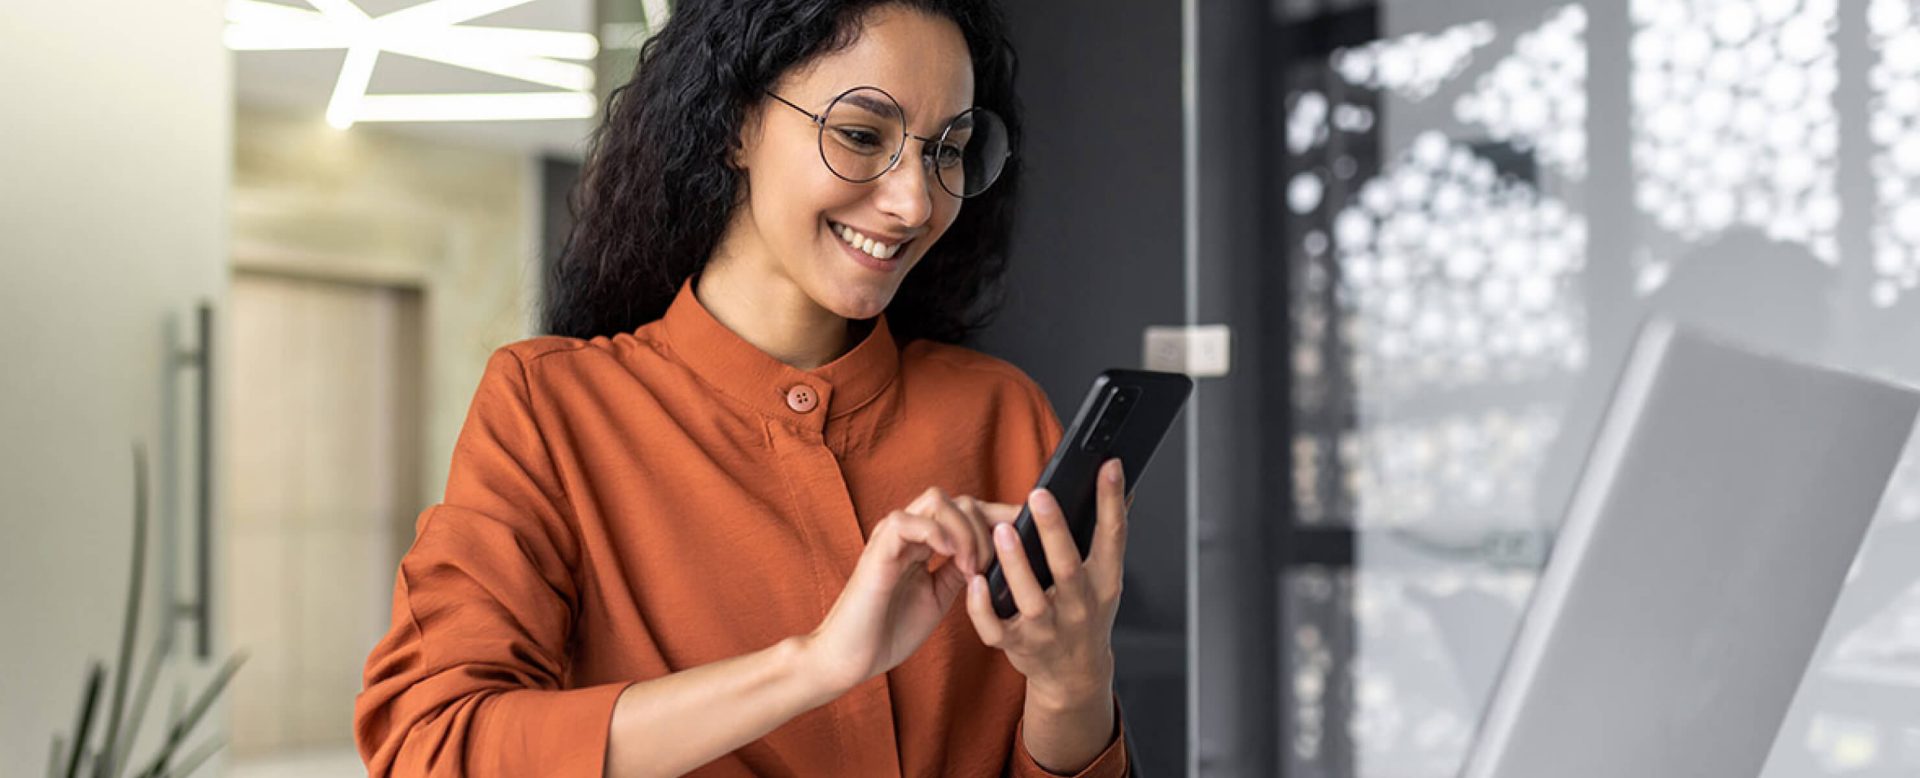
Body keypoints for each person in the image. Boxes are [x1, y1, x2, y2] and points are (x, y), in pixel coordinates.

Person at [352, 1, 1133, 775]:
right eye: (862, 136)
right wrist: (814, 667)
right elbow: (431, 749)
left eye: (947, 152)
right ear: (733, 125)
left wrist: (1074, 682)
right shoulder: (550, 411)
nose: (915, 203)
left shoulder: (999, 415)